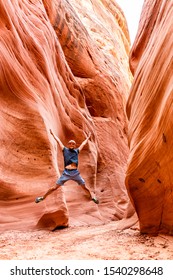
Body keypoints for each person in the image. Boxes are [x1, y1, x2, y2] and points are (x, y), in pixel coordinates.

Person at [35, 129, 99, 204]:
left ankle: (92, 198)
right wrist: (52, 134)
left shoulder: (76, 151)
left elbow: (83, 144)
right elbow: (59, 141)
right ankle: (42, 197)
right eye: (70, 143)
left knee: (84, 187)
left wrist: (88, 137)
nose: (71, 144)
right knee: (55, 187)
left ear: (74, 145)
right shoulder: (64, 150)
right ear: (68, 145)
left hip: (75, 173)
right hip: (66, 173)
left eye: (73, 144)